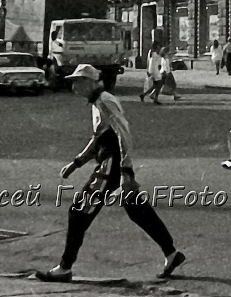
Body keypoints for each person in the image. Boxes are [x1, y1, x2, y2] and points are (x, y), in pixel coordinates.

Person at [36, 64, 185, 283]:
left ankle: (65, 267)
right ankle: (171, 253)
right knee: (137, 210)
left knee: (79, 212)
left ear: (89, 82)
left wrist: (126, 170)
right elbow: (98, 138)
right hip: (113, 163)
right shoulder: (97, 102)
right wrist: (77, 162)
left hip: (112, 165)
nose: (74, 86)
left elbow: (122, 134)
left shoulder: (105, 101)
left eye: (77, 81)